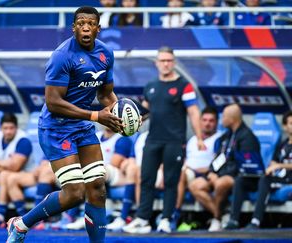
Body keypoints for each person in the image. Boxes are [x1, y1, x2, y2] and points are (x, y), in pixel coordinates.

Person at [6, 6, 123, 243]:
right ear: (74, 27)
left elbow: (105, 95)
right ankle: (21, 225)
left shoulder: (106, 54)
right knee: (75, 193)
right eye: (81, 23)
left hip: (83, 127)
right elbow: (53, 103)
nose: (86, 27)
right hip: (56, 129)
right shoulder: (62, 56)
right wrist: (95, 117)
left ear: (98, 28)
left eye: (91, 23)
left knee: (98, 188)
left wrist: (121, 114)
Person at [123, 46, 205, 234]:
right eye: (162, 60)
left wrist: (199, 137)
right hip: (153, 141)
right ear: (157, 63)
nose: (166, 64)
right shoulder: (151, 86)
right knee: (146, 180)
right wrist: (127, 122)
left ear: (173, 63)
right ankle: (142, 219)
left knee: (171, 181)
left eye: (169, 60)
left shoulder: (184, 85)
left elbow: (193, 111)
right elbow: (143, 113)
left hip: (174, 142)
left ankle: (166, 219)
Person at [189, 104, 255, 231]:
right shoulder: (226, 136)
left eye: (224, 117)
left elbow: (244, 164)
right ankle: (220, 216)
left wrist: (219, 175)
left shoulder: (246, 137)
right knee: (195, 185)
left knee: (221, 183)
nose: (222, 119)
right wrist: (212, 173)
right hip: (219, 174)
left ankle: (216, 219)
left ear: (233, 119)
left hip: (237, 177)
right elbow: (218, 158)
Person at [224, 112, 291, 230]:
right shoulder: (282, 145)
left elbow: (277, 165)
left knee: (265, 180)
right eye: (291, 123)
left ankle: (256, 221)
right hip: (275, 178)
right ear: (285, 126)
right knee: (241, 180)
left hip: (288, 180)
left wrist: (279, 165)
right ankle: (233, 220)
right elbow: (273, 163)